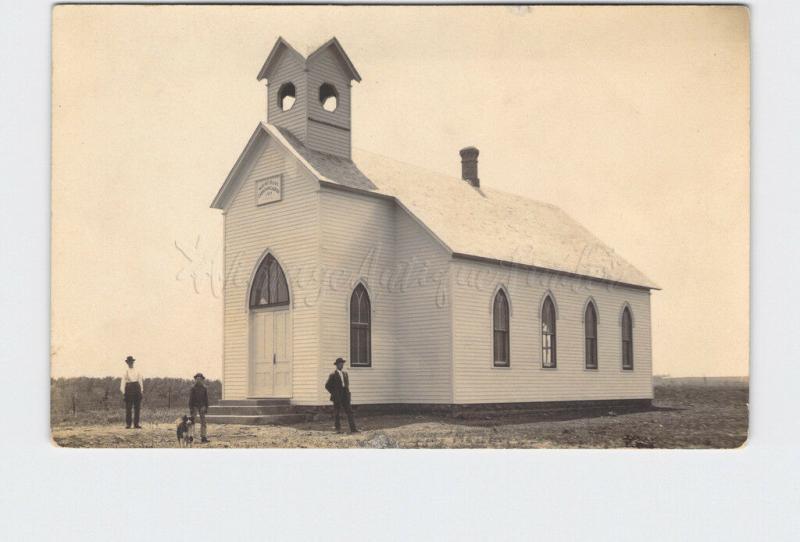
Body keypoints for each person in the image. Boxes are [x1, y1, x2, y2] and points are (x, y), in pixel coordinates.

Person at [324, 357, 358, 433]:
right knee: (337, 412)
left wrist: (348, 394)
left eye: (342, 364)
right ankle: (337, 429)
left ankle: (353, 429)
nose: (341, 365)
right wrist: (334, 393)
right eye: (340, 364)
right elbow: (327, 386)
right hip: (337, 396)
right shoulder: (333, 374)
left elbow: (347, 385)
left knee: (349, 411)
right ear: (336, 365)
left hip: (345, 395)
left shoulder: (345, 373)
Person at [120, 355, 144, 429]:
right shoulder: (125, 372)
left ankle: (136, 424)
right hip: (129, 389)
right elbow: (123, 383)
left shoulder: (137, 371)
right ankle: (128, 424)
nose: (130, 363)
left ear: (133, 362)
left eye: (131, 362)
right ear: (127, 363)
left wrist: (141, 391)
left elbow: (140, 381)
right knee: (128, 408)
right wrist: (124, 392)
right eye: (129, 362)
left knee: (137, 407)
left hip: (137, 388)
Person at [189, 372, 209, 443]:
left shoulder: (204, 388)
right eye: (197, 379)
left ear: (202, 380)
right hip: (194, 407)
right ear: (195, 379)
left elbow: (206, 399)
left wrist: (206, 407)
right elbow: (190, 399)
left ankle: (203, 437)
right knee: (192, 422)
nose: (198, 380)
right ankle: (190, 437)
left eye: (200, 379)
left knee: (203, 422)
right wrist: (191, 408)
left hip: (202, 407)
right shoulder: (193, 388)